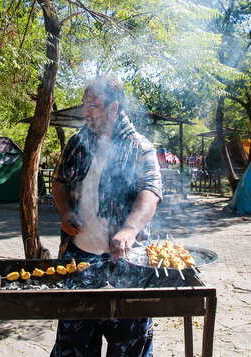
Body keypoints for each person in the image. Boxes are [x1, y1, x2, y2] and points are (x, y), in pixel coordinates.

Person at [51, 75, 162, 357]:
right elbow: (59, 181)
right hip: (78, 261)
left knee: (129, 347)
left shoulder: (140, 146)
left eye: (93, 105)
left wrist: (130, 228)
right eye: (84, 104)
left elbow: (150, 191)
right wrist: (66, 211)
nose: (85, 111)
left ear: (114, 108)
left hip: (126, 261)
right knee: (74, 346)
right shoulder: (77, 142)